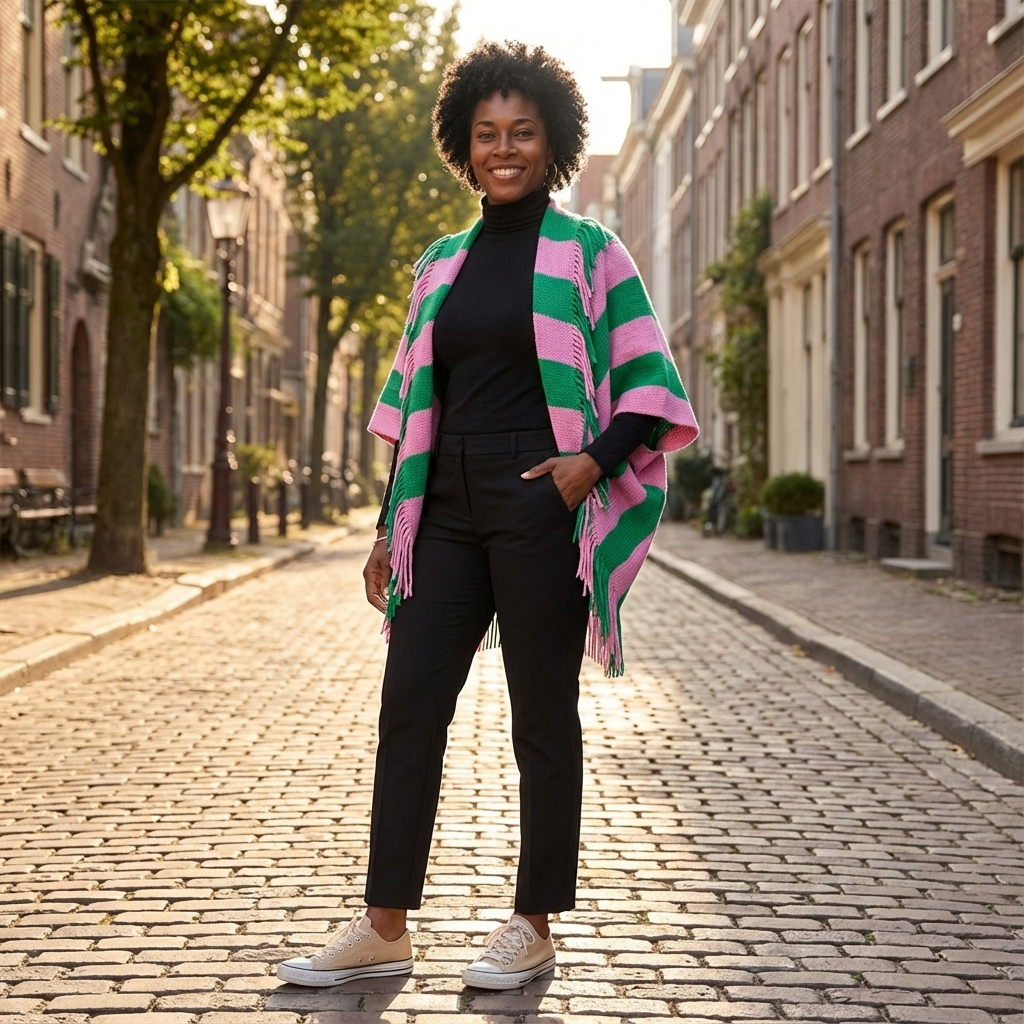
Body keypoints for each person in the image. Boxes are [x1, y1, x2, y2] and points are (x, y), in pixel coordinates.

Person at [278, 40, 698, 992]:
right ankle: (386, 924)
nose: (503, 149)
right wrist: (391, 523)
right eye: (486, 135)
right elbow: (410, 405)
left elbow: (649, 385)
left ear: (553, 144)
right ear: (462, 148)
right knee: (409, 707)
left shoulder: (591, 252)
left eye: (522, 134)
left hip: (539, 504)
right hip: (445, 507)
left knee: (541, 718)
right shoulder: (441, 263)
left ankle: (533, 920)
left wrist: (588, 467)